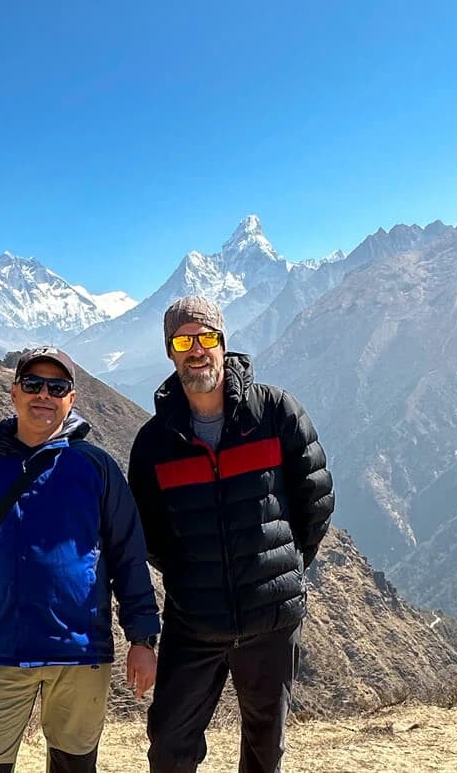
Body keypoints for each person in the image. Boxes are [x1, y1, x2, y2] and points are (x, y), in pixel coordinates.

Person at [0, 346, 160, 773]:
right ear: (14, 392)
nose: (43, 395)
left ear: (72, 398)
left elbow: (128, 556)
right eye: (33, 384)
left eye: (57, 386)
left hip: (80, 653)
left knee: (74, 766)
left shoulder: (96, 468)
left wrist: (142, 640)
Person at [127, 297, 334, 773]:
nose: (196, 350)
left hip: (272, 618)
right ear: (170, 352)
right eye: (183, 340)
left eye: (205, 337)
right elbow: (150, 531)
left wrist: (283, 566)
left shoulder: (276, 413)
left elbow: (315, 498)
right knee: (169, 742)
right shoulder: (156, 442)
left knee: (266, 745)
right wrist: (191, 574)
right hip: (195, 620)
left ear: (222, 341)